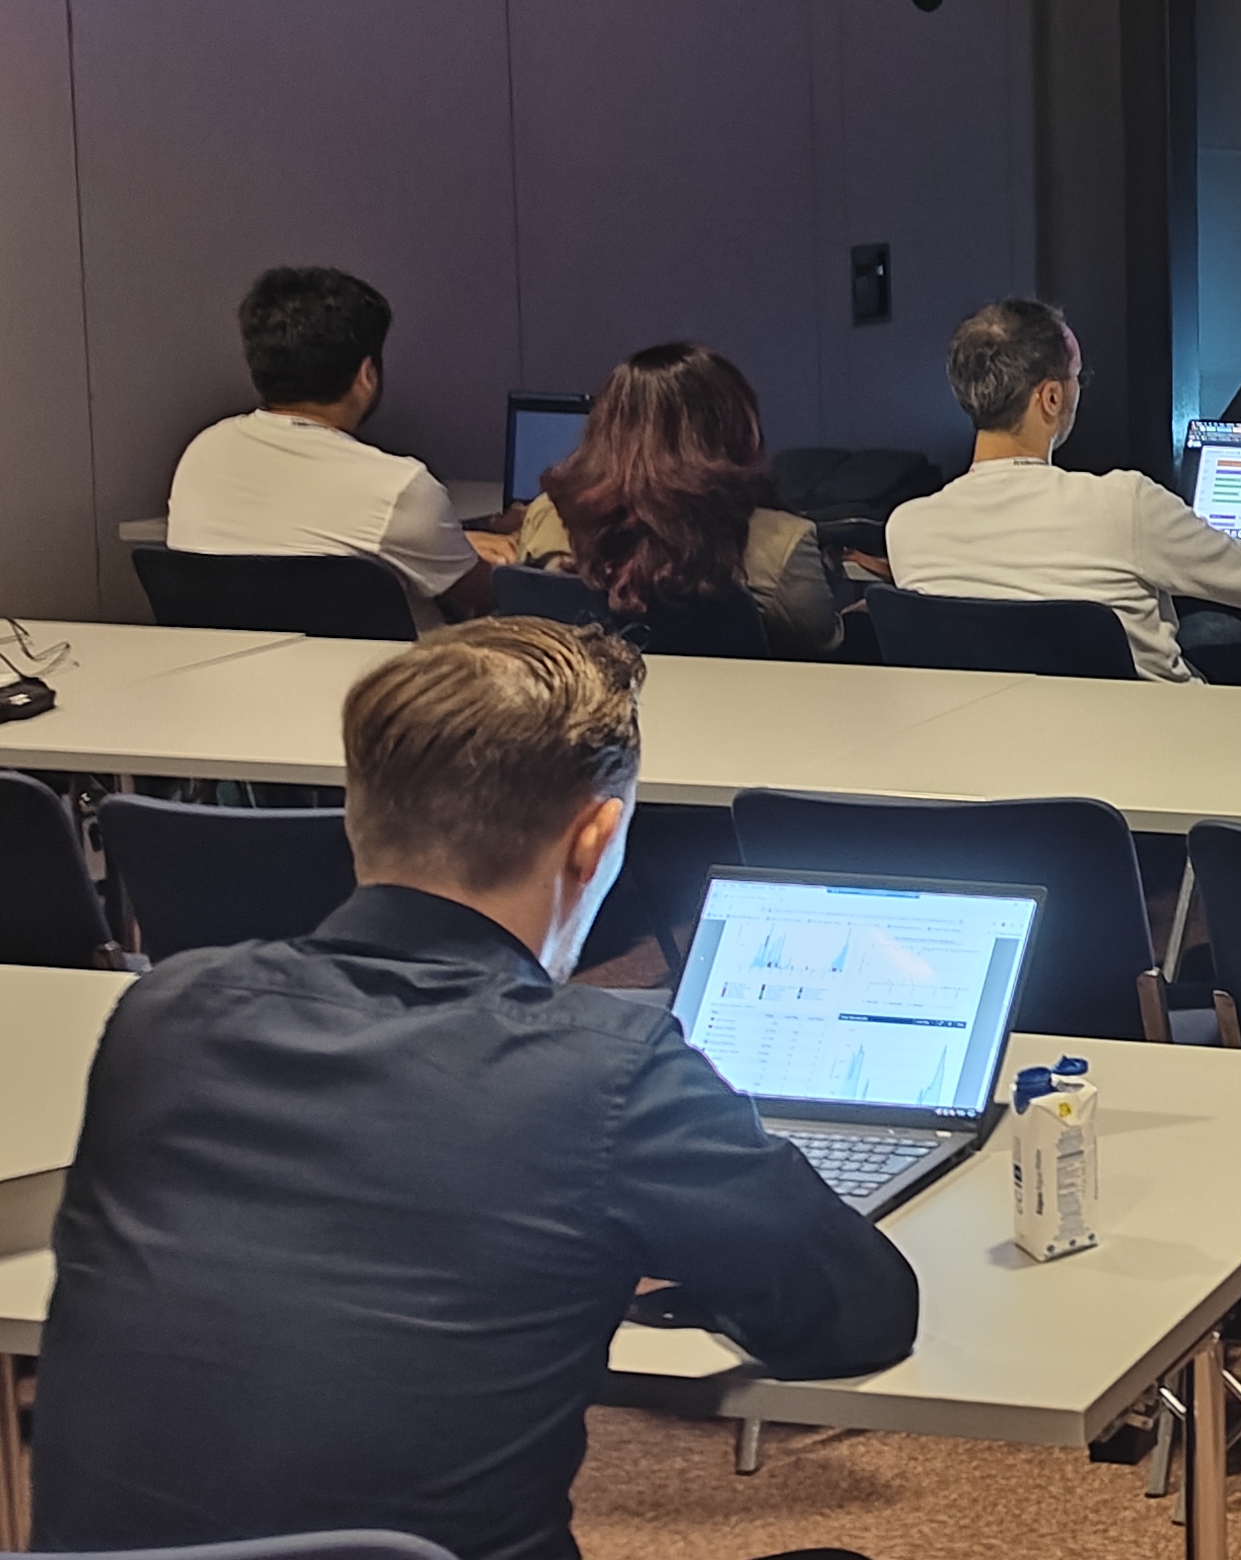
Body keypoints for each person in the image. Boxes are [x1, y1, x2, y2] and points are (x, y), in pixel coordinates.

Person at [30, 621, 916, 1560]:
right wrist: (653, 1257)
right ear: (595, 840)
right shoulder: (611, 1072)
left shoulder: (164, 1013)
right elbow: (860, 1314)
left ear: (358, 813)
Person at [885, 299, 1241, 683]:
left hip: (993, 761)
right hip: (1155, 748)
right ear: (1050, 399)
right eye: (1077, 377)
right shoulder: (1123, 504)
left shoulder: (908, 529)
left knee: (1209, 631)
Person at [164, 263, 507, 624]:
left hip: (231, 661)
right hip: (402, 662)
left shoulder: (201, 455)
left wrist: (450, 543)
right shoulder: (399, 489)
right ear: (367, 375)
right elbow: (481, 596)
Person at [516, 340, 844, 657]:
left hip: (592, 694)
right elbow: (822, 646)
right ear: (736, 429)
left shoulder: (545, 516)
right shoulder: (783, 543)